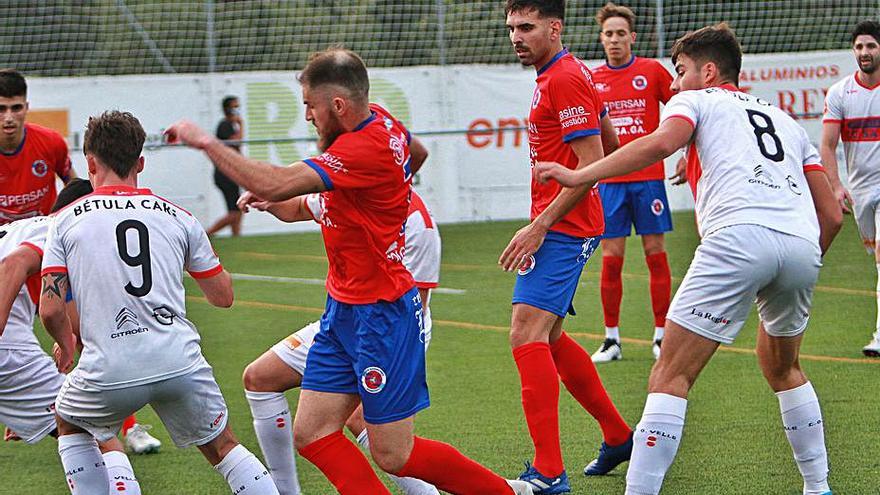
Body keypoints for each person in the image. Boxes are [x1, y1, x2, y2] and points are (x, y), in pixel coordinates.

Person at [165, 47, 534, 495]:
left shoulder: (365, 146)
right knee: (312, 433)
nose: (307, 116)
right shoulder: (381, 120)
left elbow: (277, 183)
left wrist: (206, 142)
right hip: (342, 312)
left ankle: (506, 492)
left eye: (310, 106)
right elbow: (415, 154)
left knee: (394, 454)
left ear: (338, 106)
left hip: (382, 316)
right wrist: (372, 202)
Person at [537, 23, 841, 495]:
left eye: (680, 72)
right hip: (802, 246)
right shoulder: (785, 119)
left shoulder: (695, 101)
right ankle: (818, 488)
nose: (674, 84)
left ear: (709, 71)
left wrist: (581, 175)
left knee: (670, 374)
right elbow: (830, 215)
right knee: (783, 368)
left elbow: (660, 143)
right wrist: (798, 260)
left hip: (738, 239)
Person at [39, 111, 279, 495]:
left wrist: (68, 345)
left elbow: (50, 308)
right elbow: (223, 296)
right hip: (178, 361)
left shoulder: (64, 221)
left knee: (69, 422)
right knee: (223, 446)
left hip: (109, 367)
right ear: (141, 163)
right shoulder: (179, 218)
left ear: (90, 162)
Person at [240, 188, 441, 495]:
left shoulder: (416, 223)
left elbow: (413, 308)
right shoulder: (342, 193)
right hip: (341, 325)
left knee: (371, 429)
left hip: (393, 335)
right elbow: (297, 207)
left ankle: (427, 492)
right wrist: (270, 202)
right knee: (260, 378)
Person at [0, 178, 143, 493]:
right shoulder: (59, 231)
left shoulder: (19, 229)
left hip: (12, 359)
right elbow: (14, 265)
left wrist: (19, 398)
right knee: (98, 433)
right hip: (8, 352)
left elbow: (57, 313)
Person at [590, 3, 676, 362]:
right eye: (608, 34)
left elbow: (680, 109)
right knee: (611, 259)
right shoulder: (592, 78)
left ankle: (661, 336)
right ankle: (612, 339)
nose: (614, 40)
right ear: (601, 38)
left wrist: (685, 154)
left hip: (649, 179)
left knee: (655, 254)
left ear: (632, 37)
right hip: (610, 181)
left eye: (620, 33)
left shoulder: (652, 71)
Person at [820, 20, 880, 357]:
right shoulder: (841, 93)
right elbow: (827, 146)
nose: (864, 53)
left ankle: (879, 335)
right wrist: (836, 186)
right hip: (861, 191)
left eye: (870, 46)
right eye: (859, 47)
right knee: (876, 260)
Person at [0, 69, 76, 225]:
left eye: (16, 108)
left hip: (43, 236)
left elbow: (74, 185)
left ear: (26, 107)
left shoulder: (51, 142)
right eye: (1, 109)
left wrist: (61, 219)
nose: (9, 118)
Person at [206, 96, 244, 237]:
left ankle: (236, 236)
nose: (237, 110)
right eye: (234, 107)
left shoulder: (231, 125)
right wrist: (241, 125)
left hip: (231, 172)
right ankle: (207, 234)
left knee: (237, 208)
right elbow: (236, 143)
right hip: (225, 174)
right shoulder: (225, 125)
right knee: (235, 212)